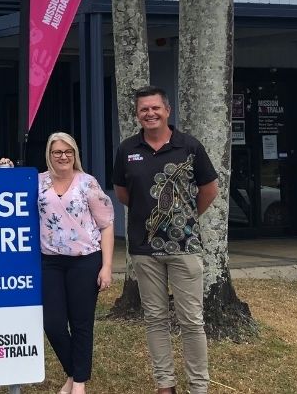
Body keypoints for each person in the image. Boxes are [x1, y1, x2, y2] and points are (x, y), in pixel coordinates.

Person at [112, 85, 219, 394]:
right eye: (144, 109)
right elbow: (123, 193)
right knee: (156, 319)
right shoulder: (127, 150)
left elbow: (209, 188)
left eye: (155, 108)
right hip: (144, 249)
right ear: (137, 114)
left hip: (184, 247)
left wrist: (185, 218)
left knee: (191, 320)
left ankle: (198, 386)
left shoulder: (189, 147)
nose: (150, 113)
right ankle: (165, 385)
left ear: (167, 111)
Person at [6, 132, 114, 394]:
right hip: (51, 262)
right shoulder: (38, 181)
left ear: (75, 154)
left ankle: (78, 383)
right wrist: (7, 170)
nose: (63, 156)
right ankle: (73, 371)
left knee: (81, 323)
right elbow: (13, 190)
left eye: (68, 151)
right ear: (49, 154)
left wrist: (107, 266)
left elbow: (107, 225)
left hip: (85, 260)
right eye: (57, 152)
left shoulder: (87, 183)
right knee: (52, 323)